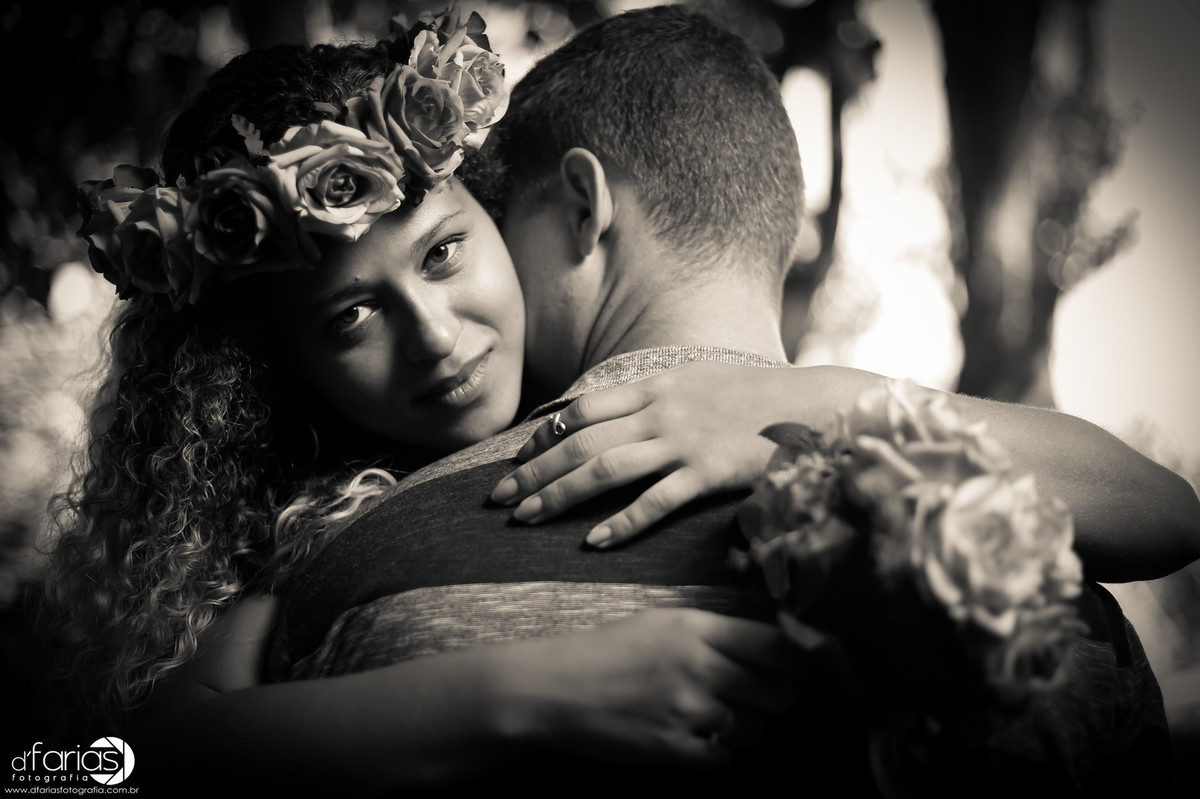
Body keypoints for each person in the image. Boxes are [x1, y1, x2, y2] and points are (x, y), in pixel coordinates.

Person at [36, 1, 1197, 795]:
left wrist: (802, 401)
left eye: (445, 253)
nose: (438, 340)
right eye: (347, 317)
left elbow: (1167, 509)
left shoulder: (885, 465)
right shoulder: (304, 540)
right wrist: (526, 691)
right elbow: (76, 767)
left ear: (543, 212)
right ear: (278, 369)